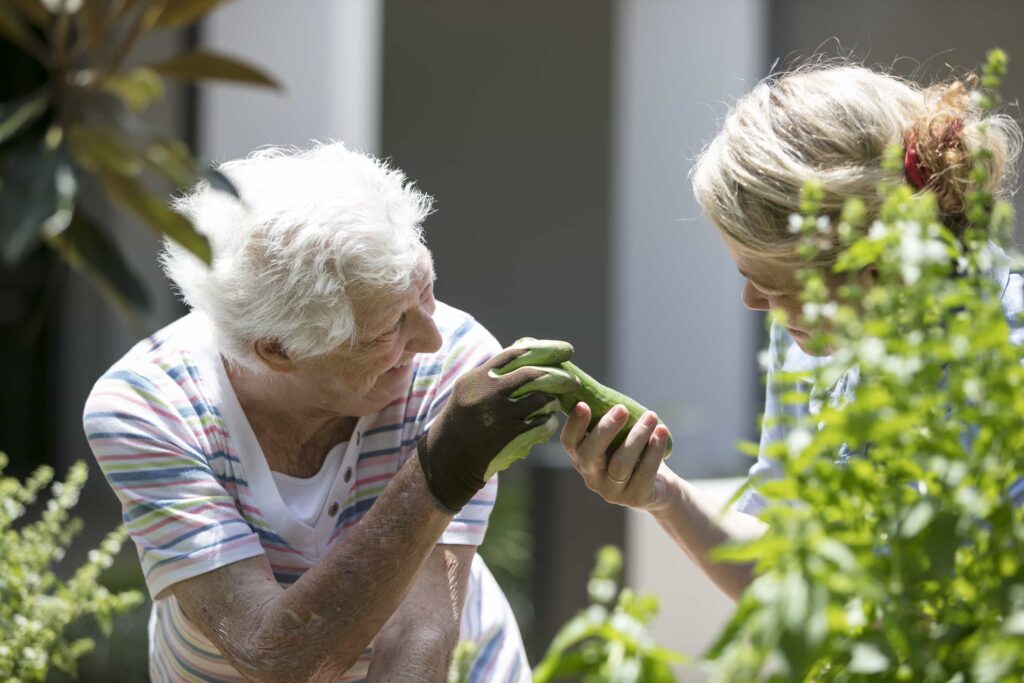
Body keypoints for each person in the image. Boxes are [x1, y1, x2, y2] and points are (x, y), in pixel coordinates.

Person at [83, 142, 571, 682]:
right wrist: (441, 467)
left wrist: (445, 460)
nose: (430, 339)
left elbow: (419, 632)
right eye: (389, 329)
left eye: (426, 291)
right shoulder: (146, 407)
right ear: (277, 350)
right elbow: (273, 656)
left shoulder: (456, 363)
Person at [559, 63, 1023, 601]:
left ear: (877, 264)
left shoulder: (1005, 367)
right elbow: (787, 573)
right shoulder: (810, 336)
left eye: (776, 284)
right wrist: (663, 495)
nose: (754, 302)